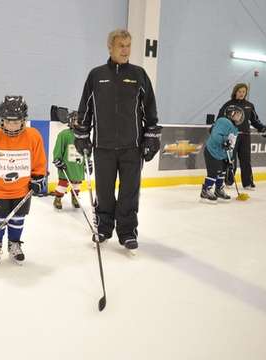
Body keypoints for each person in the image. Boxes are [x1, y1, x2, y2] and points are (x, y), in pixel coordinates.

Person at [73, 29, 161, 251]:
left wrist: (151, 137)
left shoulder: (139, 74)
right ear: (110, 47)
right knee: (104, 191)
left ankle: (127, 231)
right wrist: (82, 134)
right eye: (121, 45)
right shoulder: (96, 75)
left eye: (128, 45)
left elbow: (149, 109)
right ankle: (103, 228)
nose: (125, 50)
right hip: (103, 147)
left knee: (129, 191)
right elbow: (85, 108)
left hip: (132, 147)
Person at [0, 96, 47, 264]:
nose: (12, 126)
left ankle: (14, 244)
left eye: (17, 122)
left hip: (22, 189)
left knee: (18, 219)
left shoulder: (33, 136)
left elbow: (39, 160)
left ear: (23, 120)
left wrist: (38, 178)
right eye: (8, 121)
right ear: (1, 120)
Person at [217, 83, 266, 190]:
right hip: (231, 136)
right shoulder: (228, 105)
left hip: (245, 137)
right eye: (239, 91)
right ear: (235, 92)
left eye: (244, 92)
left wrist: (263, 129)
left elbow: (255, 121)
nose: (242, 94)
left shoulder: (249, 105)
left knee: (246, 160)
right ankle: (228, 181)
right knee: (230, 160)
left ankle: (248, 182)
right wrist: (219, 132)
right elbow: (220, 120)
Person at [201, 105, 243, 203]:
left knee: (222, 172)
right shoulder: (223, 121)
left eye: (240, 115)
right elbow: (215, 135)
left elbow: (231, 144)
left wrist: (230, 158)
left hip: (222, 154)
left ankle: (218, 190)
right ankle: (205, 191)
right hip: (212, 151)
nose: (239, 117)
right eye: (237, 114)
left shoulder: (235, 128)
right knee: (213, 172)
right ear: (231, 114)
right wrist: (224, 141)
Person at [51, 111, 92, 210]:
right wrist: (57, 159)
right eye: (76, 121)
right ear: (70, 121)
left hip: (78, 166)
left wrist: (88, 162)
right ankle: (58, 199)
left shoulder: (85, 136)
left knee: (76, 185)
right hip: (67, 166)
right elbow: (58, 148)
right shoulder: (64, 135)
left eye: (80, 121)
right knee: (62, 185)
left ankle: (74, 198)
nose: (78, 123)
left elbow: (87, 150)